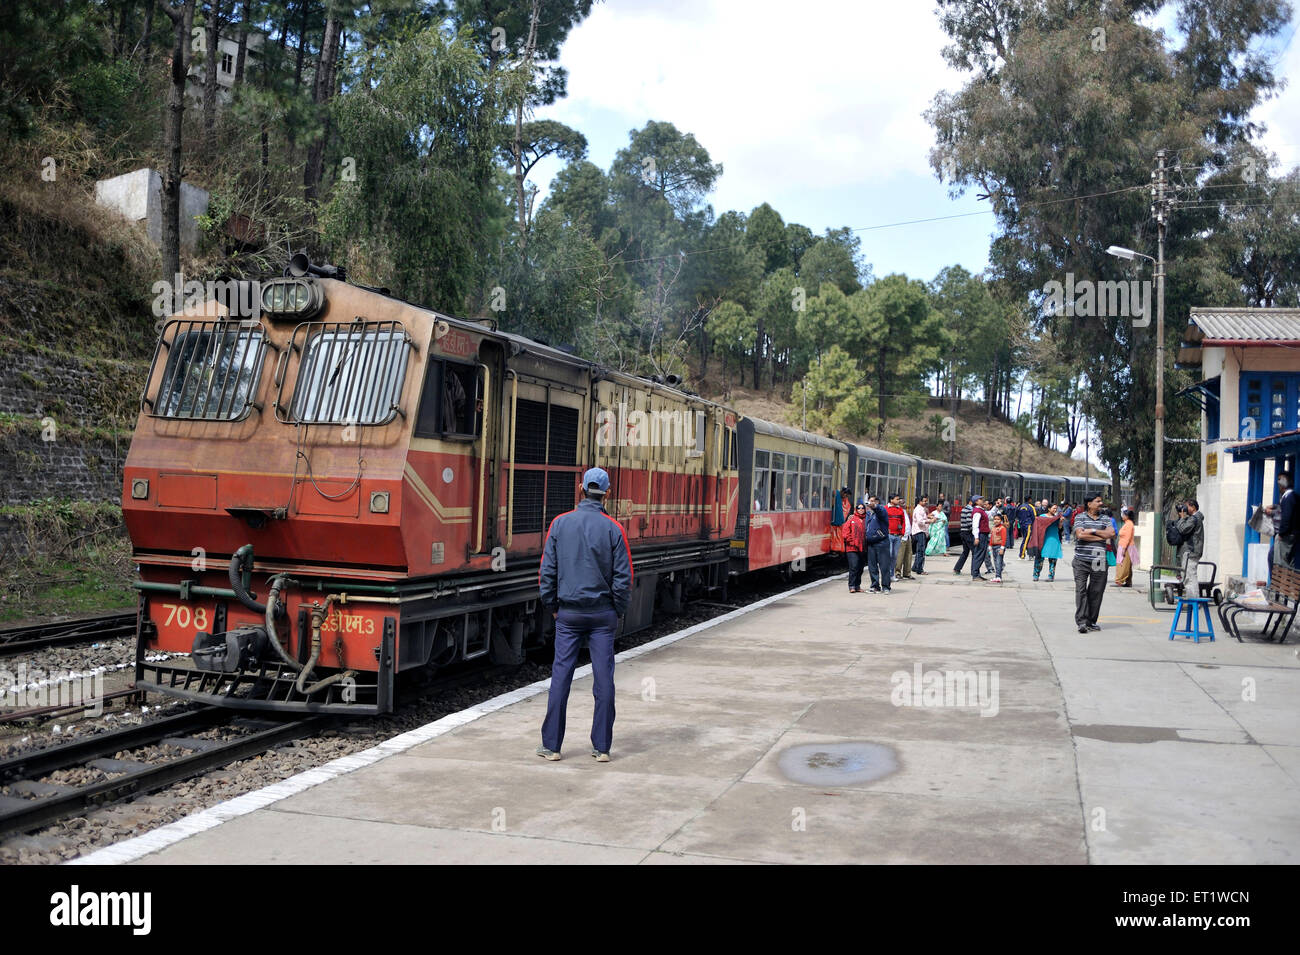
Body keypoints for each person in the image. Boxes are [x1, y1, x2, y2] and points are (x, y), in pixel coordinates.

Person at [537, 467, 633, 762]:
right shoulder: (614, 529)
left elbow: (547, 572)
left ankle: (552, 746)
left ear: (580, 489)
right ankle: (602, 748)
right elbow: (624, 578)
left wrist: (553, 606)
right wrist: (616, 610)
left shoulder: (559, 524)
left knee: (561, 676)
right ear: (608, 493)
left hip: (568, 614)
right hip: (602, 616)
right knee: (604, 680)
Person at [1072, 493, 1116, 633]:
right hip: (1081, 560)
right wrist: (1100, 537)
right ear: (1089, 504)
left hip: (1099, 560)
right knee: (1081, 590)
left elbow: (1111, 534)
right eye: (1098, 501)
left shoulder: (1106, 518)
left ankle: (1091, 621)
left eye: (1100, 501)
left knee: (1096, 591)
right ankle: (1082, 622)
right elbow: (1080, 535)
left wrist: (1093, 531)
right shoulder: (1080, 517)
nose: (1101, 503)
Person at [862, 494, 892, 594]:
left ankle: (886, 587)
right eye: (869, 501)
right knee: (872, 566)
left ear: (877, 502)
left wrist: (874, 506)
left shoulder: (881, 511)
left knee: (884, 566)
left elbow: (879, 510)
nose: (870, 503)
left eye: (872, 501)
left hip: (881, 542)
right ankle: (875, 586)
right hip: (871, 543)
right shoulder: (869, 514)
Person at [1028, 505, 1065, 581]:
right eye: (1054, 508)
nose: (1055, 510)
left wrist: (1061, 522)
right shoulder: (1042, 517)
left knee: (1053, 558)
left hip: (1054, 539)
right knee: (1040, 557)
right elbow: (1037, 527)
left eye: (1056, 508)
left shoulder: (1057, 517)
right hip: (1043, 539)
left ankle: (1051, 576)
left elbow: (1060, 528)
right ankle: (1036, 575)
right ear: (1049, 508)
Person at [1266, 472, 1296, 567]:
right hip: (1287, 534)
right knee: (1276, 557)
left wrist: (1281, 534)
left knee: (1279, 560)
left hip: (1286, 535)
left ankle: (1280, 581)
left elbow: (1286, 516)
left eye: (1279, 480)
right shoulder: (1288, 497)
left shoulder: (1288, 497)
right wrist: (1274, 507)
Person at [1172, 500, 1205, 587]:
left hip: (1192, 551)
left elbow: (1183, 529)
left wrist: (1182, 518)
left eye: (1187, 507)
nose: (1185, 509)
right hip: (1194, 551)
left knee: (1190, 578)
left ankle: (1193, 598)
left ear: (1193, 507)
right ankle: (1192, 597)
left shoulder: (1194, 519)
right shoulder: (1195, 518)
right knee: (1189, 577)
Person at [843, 502, 866, 592]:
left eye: (862, 508)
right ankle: (851, 585)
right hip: (852, 548)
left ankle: (857, 585)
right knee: (854, 566)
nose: (861, 510)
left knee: (860, 567)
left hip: (862, 548)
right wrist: (851, 541)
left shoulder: (866, 520)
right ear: (856, 509)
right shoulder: (851, 519)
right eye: (859, 508)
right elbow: (845, 532)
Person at [1112, 508, 1138, 587]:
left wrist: (1123, 548)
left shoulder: (1129, 524)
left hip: (1126, 547)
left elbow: (1127, 537)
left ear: (1127, 516)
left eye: (1124, 515)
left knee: (1123, 564)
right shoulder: (1127, 523)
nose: (1122, 516)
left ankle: (1119, 580)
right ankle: (1128, 581)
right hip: (1124, 546)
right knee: (1127, 565)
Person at [886, 493, 908, 581]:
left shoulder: (900, 510)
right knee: (889, 554)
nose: (899, 501)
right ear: (891, 500)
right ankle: (886, 573)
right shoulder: (885, 509)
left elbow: (903, 522)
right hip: (888, 535)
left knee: (894, 556)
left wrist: (902, 532)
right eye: (897, 499)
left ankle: (892, 575)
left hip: (897, 536)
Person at [969, 494, 991, 581]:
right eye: (980, 499)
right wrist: (976, 537)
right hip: (981, 535)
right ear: (976, 502)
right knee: (979, 554)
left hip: (983, 534)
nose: (983, 501)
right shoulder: (977, 511)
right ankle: (975, 574)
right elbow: (975, 525)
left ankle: (976, 573)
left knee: (980, 554)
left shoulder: (981, 510)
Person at [953, 498, 974, 575]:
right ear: (971, 502)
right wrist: (974, 529)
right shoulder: (969, 510)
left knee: (965, 552)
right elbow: (969, 523)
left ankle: (957, 568)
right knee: (974, 552)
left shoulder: (964, 509)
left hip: (963, 532)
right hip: (968, 533)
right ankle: (974, 571)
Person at [911, 495, 931, 575]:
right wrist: (930, 521)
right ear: (920, 501)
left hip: (920, 531)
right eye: (924, 501)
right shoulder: (919, 509)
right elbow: (920, 521)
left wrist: (928, 518)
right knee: (921, 551)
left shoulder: (920, 509)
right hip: (920, 531)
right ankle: (919, 569)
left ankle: (915, 567)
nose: (925, 502)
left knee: (919, 550)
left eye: (926, 501)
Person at [990, 513, 1007, 583]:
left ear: (1001, 520)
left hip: (999, 547)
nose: (996, 521)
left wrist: (1002, 548)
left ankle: (998, 576)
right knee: (995, 561)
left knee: (998, 562)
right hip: (994, 547)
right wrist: (990, 545)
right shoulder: (993, 528)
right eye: (995, 519)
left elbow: (1004, 538)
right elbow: (991, 537)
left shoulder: (1002, 528)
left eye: (998, 519)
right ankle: (997, 575)